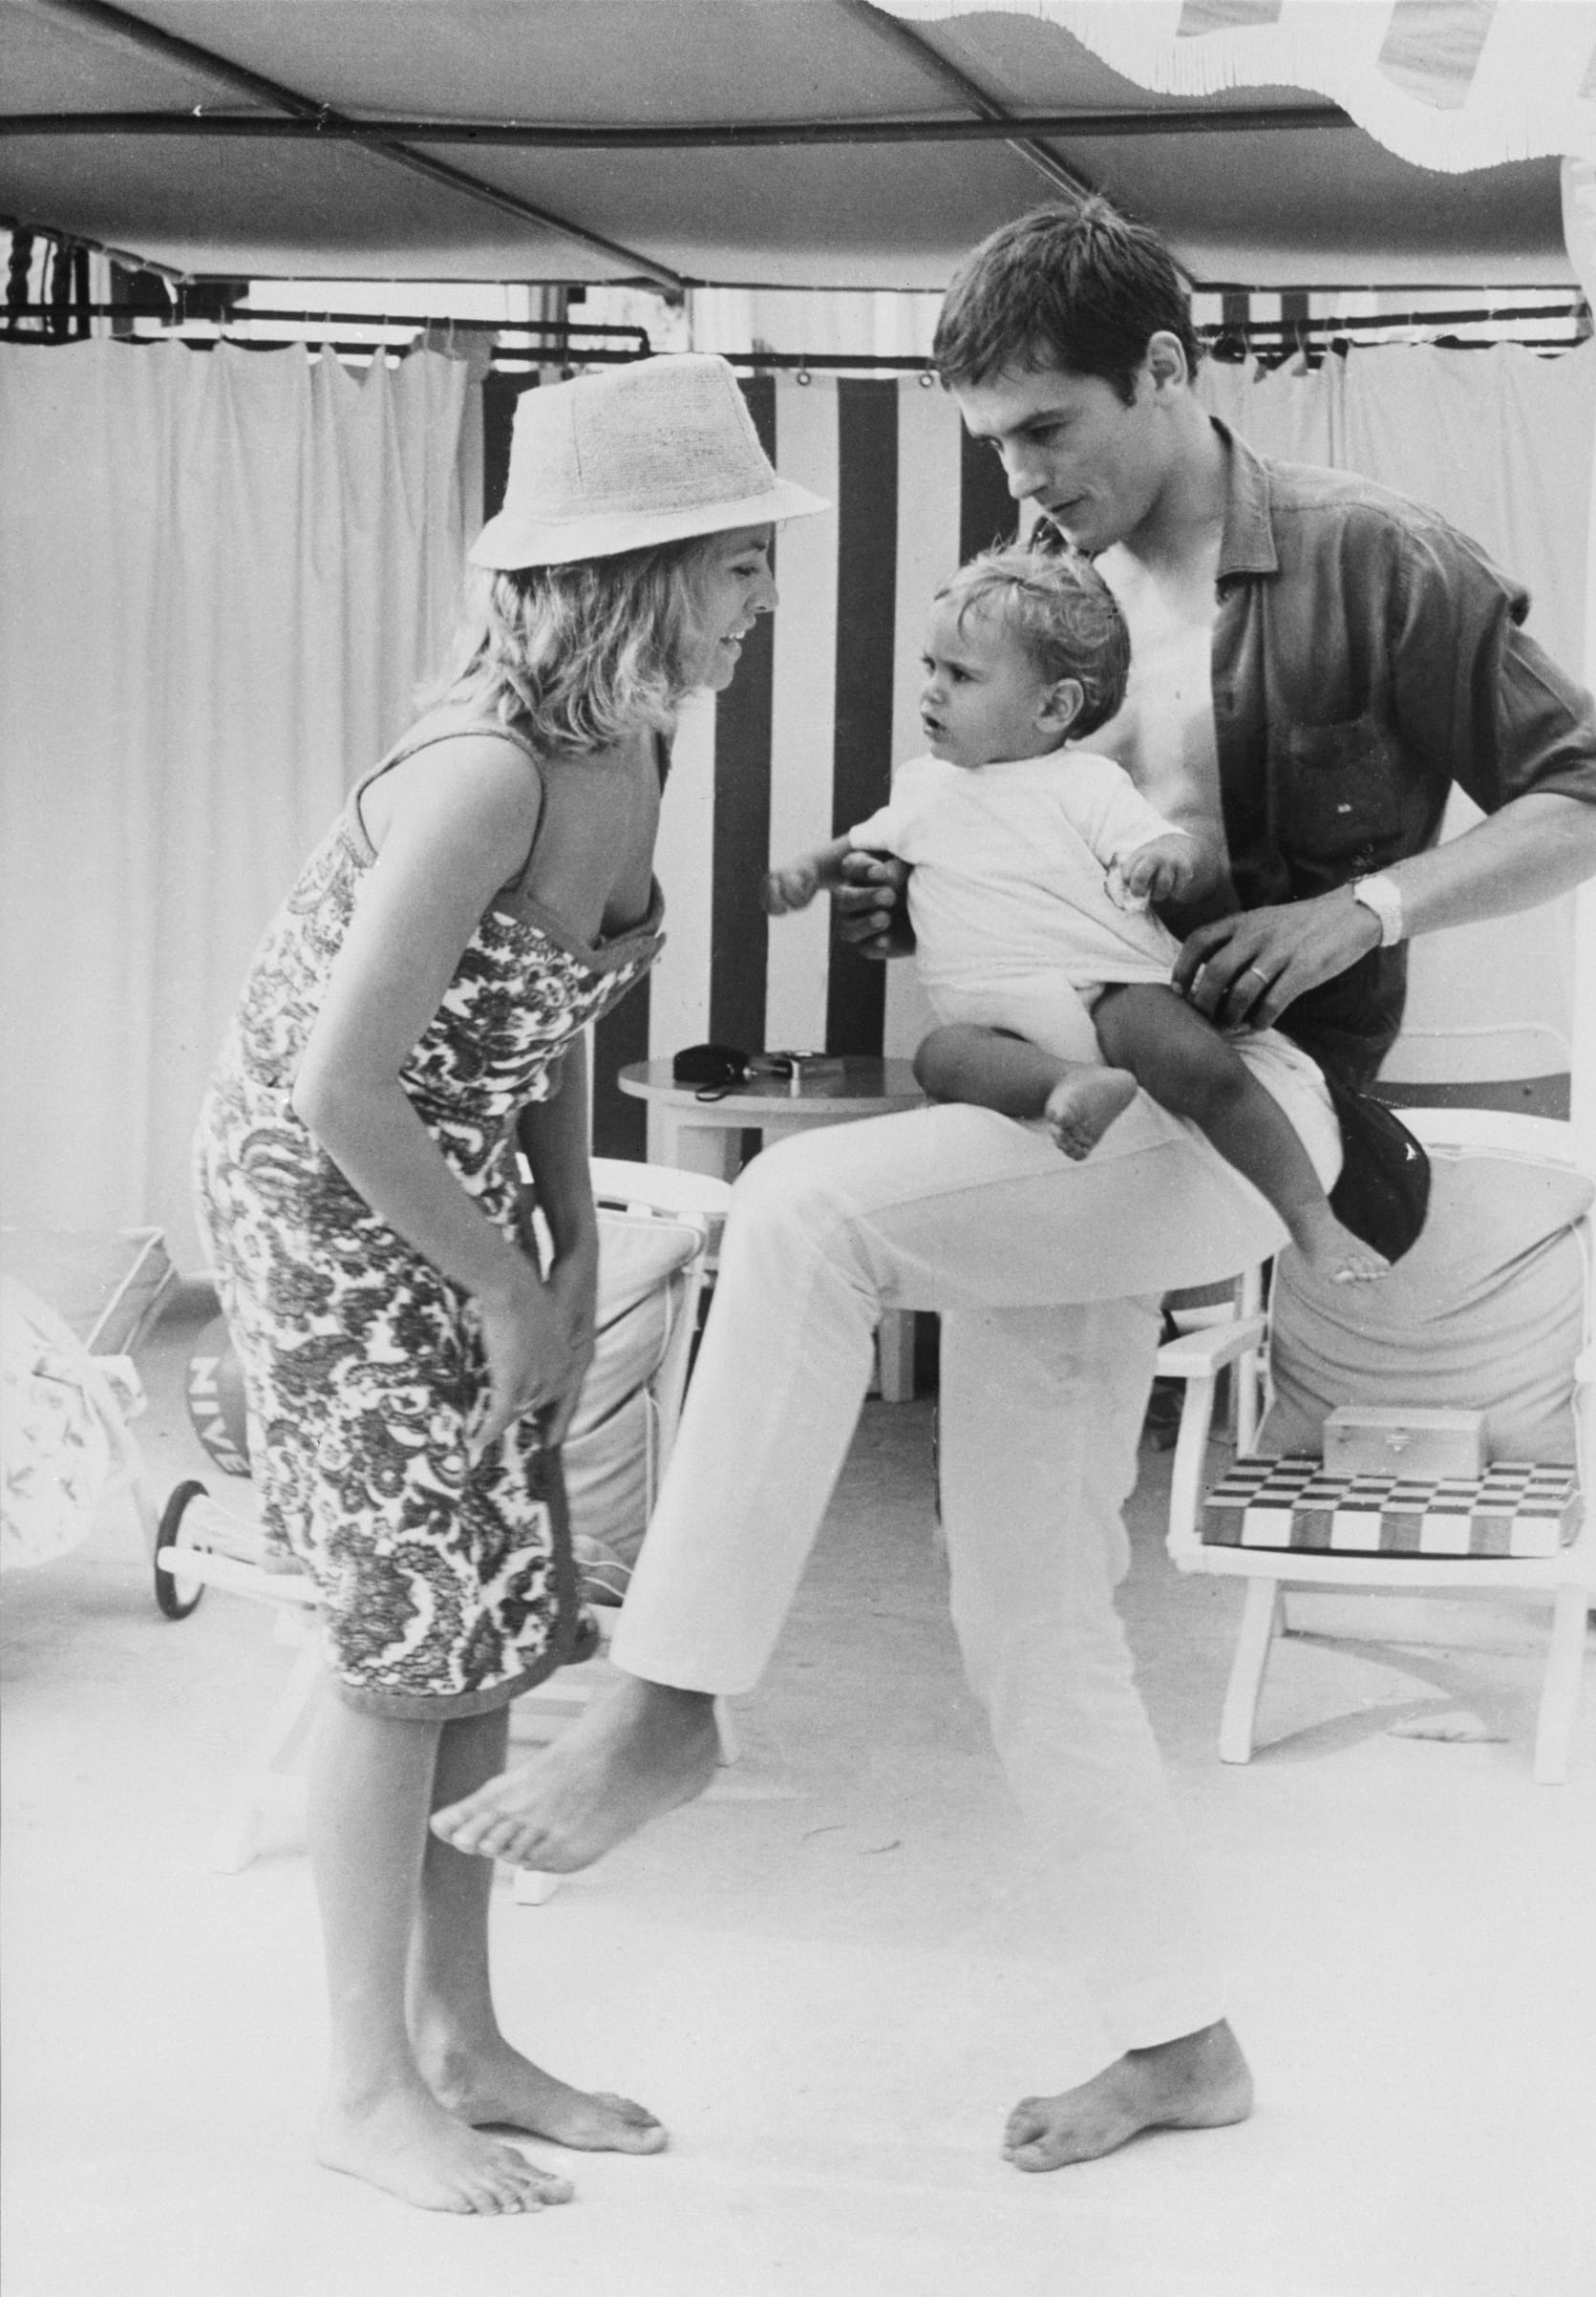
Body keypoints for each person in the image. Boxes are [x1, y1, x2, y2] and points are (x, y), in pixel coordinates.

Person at [431, 202, 1596, 2174]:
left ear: (1173, 369)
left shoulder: (1379, 563)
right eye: (996, 440)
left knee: (807, 1216)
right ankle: (1180, 2040)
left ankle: (669, 1690)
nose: (1027, 477)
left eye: (1054, 428)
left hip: (1253, 1102)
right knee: (1029, 1608)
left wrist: (1373, 896)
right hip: (1062, 1122)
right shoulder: (1041, 599)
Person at [194, 354, 823, 2215]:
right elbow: (334, 1083)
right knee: (409, 1640)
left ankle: (464, 2034)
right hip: (329, 1198)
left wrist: (567, 1239)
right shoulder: (477, 772)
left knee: (495, 1607)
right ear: (635, 573)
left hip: (449, 1178)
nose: (759, 598)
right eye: (734, 567)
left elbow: (540, 1017)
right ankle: (363, 2076)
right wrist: (495, 1285)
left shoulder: (633, 742)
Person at [765, 545, 1383, 1282]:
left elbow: (1163, 842)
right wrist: (813, 870)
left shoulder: (1083, 782)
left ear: (1053, 707)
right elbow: (862, 841)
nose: (930, 694)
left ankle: (1312, 1218)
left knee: (1195, 1062)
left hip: (1101, 986)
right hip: (995, 1012)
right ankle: (1065, 1083)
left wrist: (1169, 861)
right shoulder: (924, 786)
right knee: (940, 1057)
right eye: (930, 668)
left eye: (960, 676)